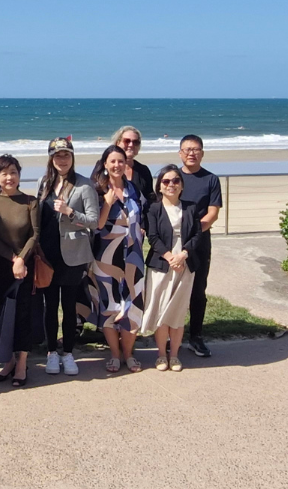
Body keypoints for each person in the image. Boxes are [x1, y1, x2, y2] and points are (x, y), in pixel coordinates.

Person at [35, 138, 100, 377]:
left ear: (72, 157)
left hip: (73, 255)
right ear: (51, 158)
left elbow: (94, 221)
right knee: (49, 306)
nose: (62, 160)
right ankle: (52, 352)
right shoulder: (44, 182)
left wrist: (70, 211)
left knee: (69, 306)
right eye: (57, 155)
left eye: (66, 155)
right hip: (48, 254)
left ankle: (69, 352)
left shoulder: (84, 185)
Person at [88, 145, 146, 373]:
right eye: (112, 161)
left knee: (133, 304)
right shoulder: (97, 191)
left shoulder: (134, 189)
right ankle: (114, 353)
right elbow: (98, 225)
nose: (117, 165)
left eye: (120, 161)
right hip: (106, 257)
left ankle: (129, 354)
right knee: (109, 305)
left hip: (133, 256)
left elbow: (142, 216)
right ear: (105, 164)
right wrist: (108, 203)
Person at [0, 155, 39, 387]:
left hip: (25, 266)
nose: (9, 177)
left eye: (13, 172)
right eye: (4, 173)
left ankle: (22, 363)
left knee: (22, 313)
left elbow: (35, 234)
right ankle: (7, 361)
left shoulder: (30, 201)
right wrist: (12, 259)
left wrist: (21, 260)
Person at [144, 165, 201, 372]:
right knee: (160, 310)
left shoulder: (191, 207)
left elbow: (197, 235)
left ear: (181, 185)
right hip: (161, 264)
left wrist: (183, 255)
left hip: (185, 264)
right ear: (159, 186)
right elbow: (152, 237)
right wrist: (170, 257)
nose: (171, 185)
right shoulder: (153, 209)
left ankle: (174, 355)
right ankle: (161, 355)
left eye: (175, 181)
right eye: (166, 181)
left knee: (177, 311)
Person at [178, 134, 223, 358]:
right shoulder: (171, 178)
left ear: (202, 153)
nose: (191, 153)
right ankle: (170, 336)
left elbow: (212, 213)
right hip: (173, 244)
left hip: (200, 243)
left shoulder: (211, 180)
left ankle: (195, 337)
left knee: (198, 291)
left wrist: (194, 233)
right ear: (180, 153)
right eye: (187, 149)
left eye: (196, 149)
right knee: (172, 291)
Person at [112, 126, 156, 210]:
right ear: (118, 143)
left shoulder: (143, 170)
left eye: (135, 142)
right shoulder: (105, 166)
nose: (131, 145)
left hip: (138, 221)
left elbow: (151, 199)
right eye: (127, 141)